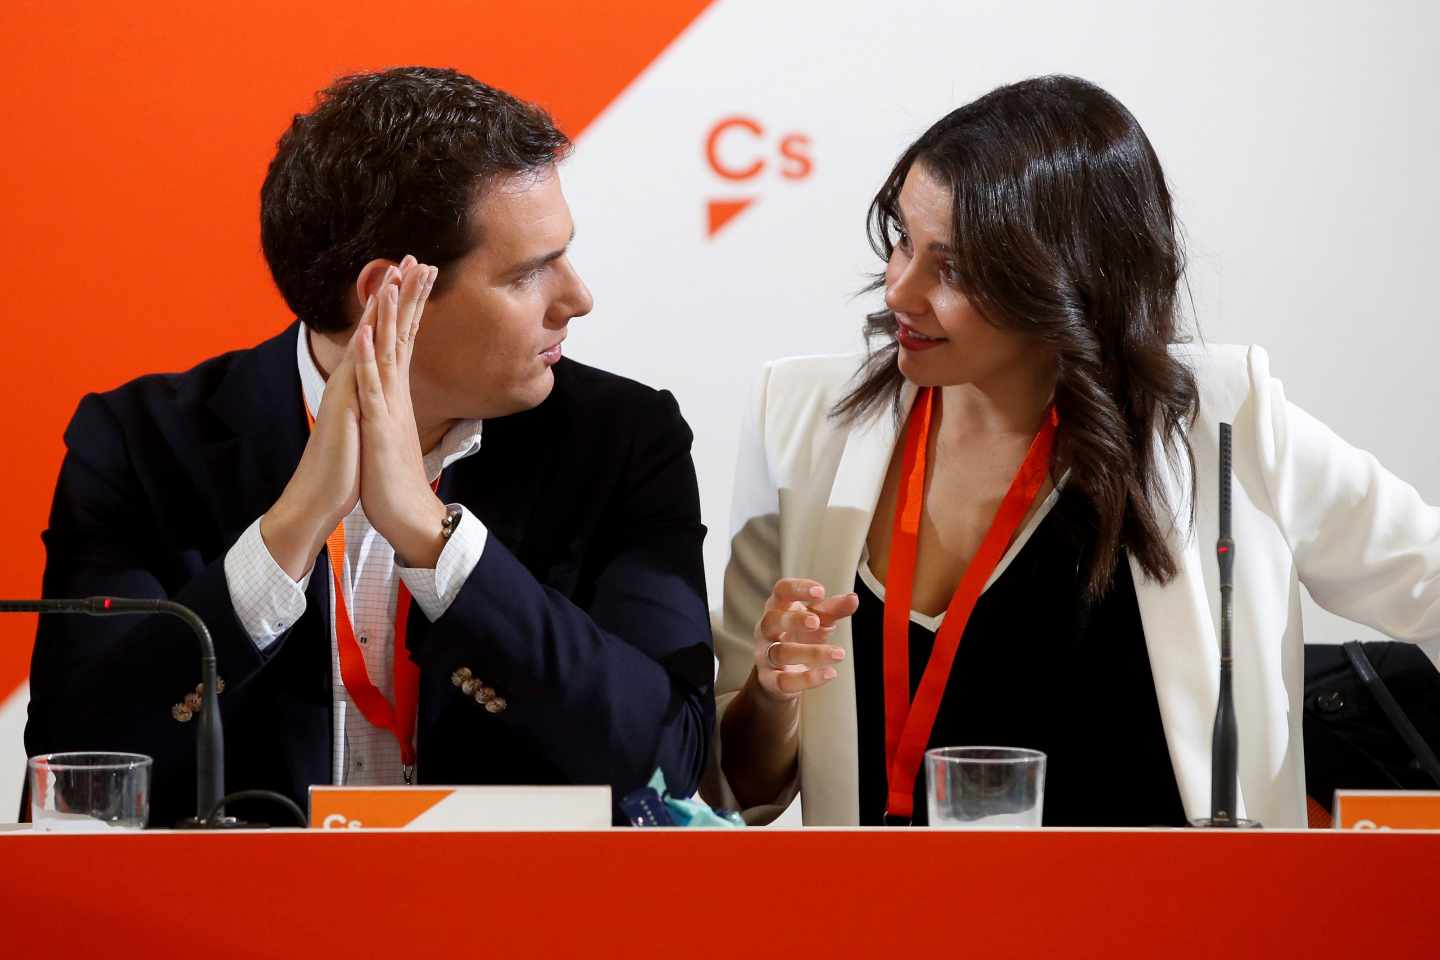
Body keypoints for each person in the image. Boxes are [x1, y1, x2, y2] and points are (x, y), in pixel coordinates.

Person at [705, 75, 1440, 828]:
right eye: (902, 240)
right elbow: (736, 789)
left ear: (1064, 278)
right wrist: (771, 690)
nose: (900, 289)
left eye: (951, 266)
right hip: (888, 926)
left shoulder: (1222, 420)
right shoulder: (800, 420)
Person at [26, 67, 713, 827]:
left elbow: (669, 765)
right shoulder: (142, 444)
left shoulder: (621, 438)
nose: (577, 298)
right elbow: (77, 770)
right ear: (391, 294)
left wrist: (435, 541)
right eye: (528, 274)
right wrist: (286, 536)